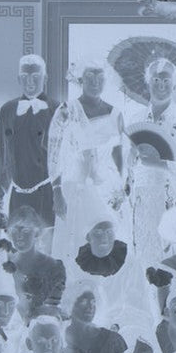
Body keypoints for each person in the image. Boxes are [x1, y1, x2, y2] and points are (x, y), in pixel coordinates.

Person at [126, 57, 176, 262]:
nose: (161, 85)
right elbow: (124, 165)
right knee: (142, 256)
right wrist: (130, 162)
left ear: (174, 85)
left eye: (166, 80)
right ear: (148, 83)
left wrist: (161, 163)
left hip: (170, 197)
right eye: (156, 80)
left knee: (168, 257)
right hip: (140, 200)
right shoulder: (135, 119)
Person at [51, 60, 131, 254]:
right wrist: (57, 191)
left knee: (106, 245)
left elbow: (122, 155)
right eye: (90, 77)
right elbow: (53, 154)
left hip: (106, 189)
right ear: (80, 79)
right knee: (75, 244)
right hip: (74, 186)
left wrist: (123, 188)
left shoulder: (116, 114)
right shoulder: (66, 110)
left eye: (100, 77)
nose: (95, 82)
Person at [0, 54, 63, 230]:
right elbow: (2, 156)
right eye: (25, 77)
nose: (30, 82)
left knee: (47, 249)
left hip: (47, 194)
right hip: (18, 195)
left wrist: (60, 194)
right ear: (19, 79)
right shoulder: (7, 110)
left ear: (45, 78)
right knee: (19, 246)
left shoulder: (57, 110)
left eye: (36, 76)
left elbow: (63, 158)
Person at [3, 206, 67, 323]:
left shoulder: (53, 267)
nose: (19, 236)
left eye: (25, 231)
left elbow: (53, 310)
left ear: (36, 233)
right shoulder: (4, 263)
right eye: (14, 231)